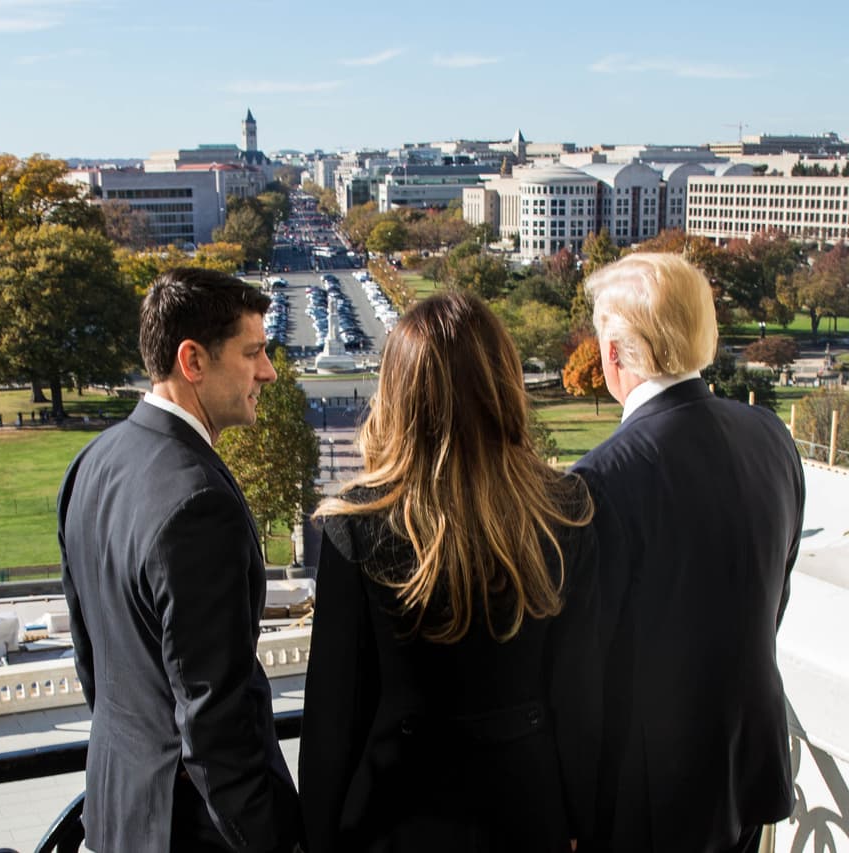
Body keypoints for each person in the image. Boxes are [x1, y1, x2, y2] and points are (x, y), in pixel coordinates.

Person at [299, 292, 596, 852]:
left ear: (400, 393)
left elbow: (332, 724)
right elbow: (582, 696)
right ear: (503, 382)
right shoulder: (567, 510)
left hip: (397, 816)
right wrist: (582, 818)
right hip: (528, 813)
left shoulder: (355, 526)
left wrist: (317, 839)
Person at [58, 267, 301, 853]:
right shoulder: (199, 504)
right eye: (253, 352)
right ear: (193, 361)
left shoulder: (93, 463)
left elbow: (95, 662)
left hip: (118, 809)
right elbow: (214, 717)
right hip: (191, 829)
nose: (267, 371)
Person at [571, 253, 805, 852]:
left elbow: (579, 668)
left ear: (615, 354)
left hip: (647, 800)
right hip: (747, 771)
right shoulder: (772, 438)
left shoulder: (599, 481)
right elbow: (772, 596)